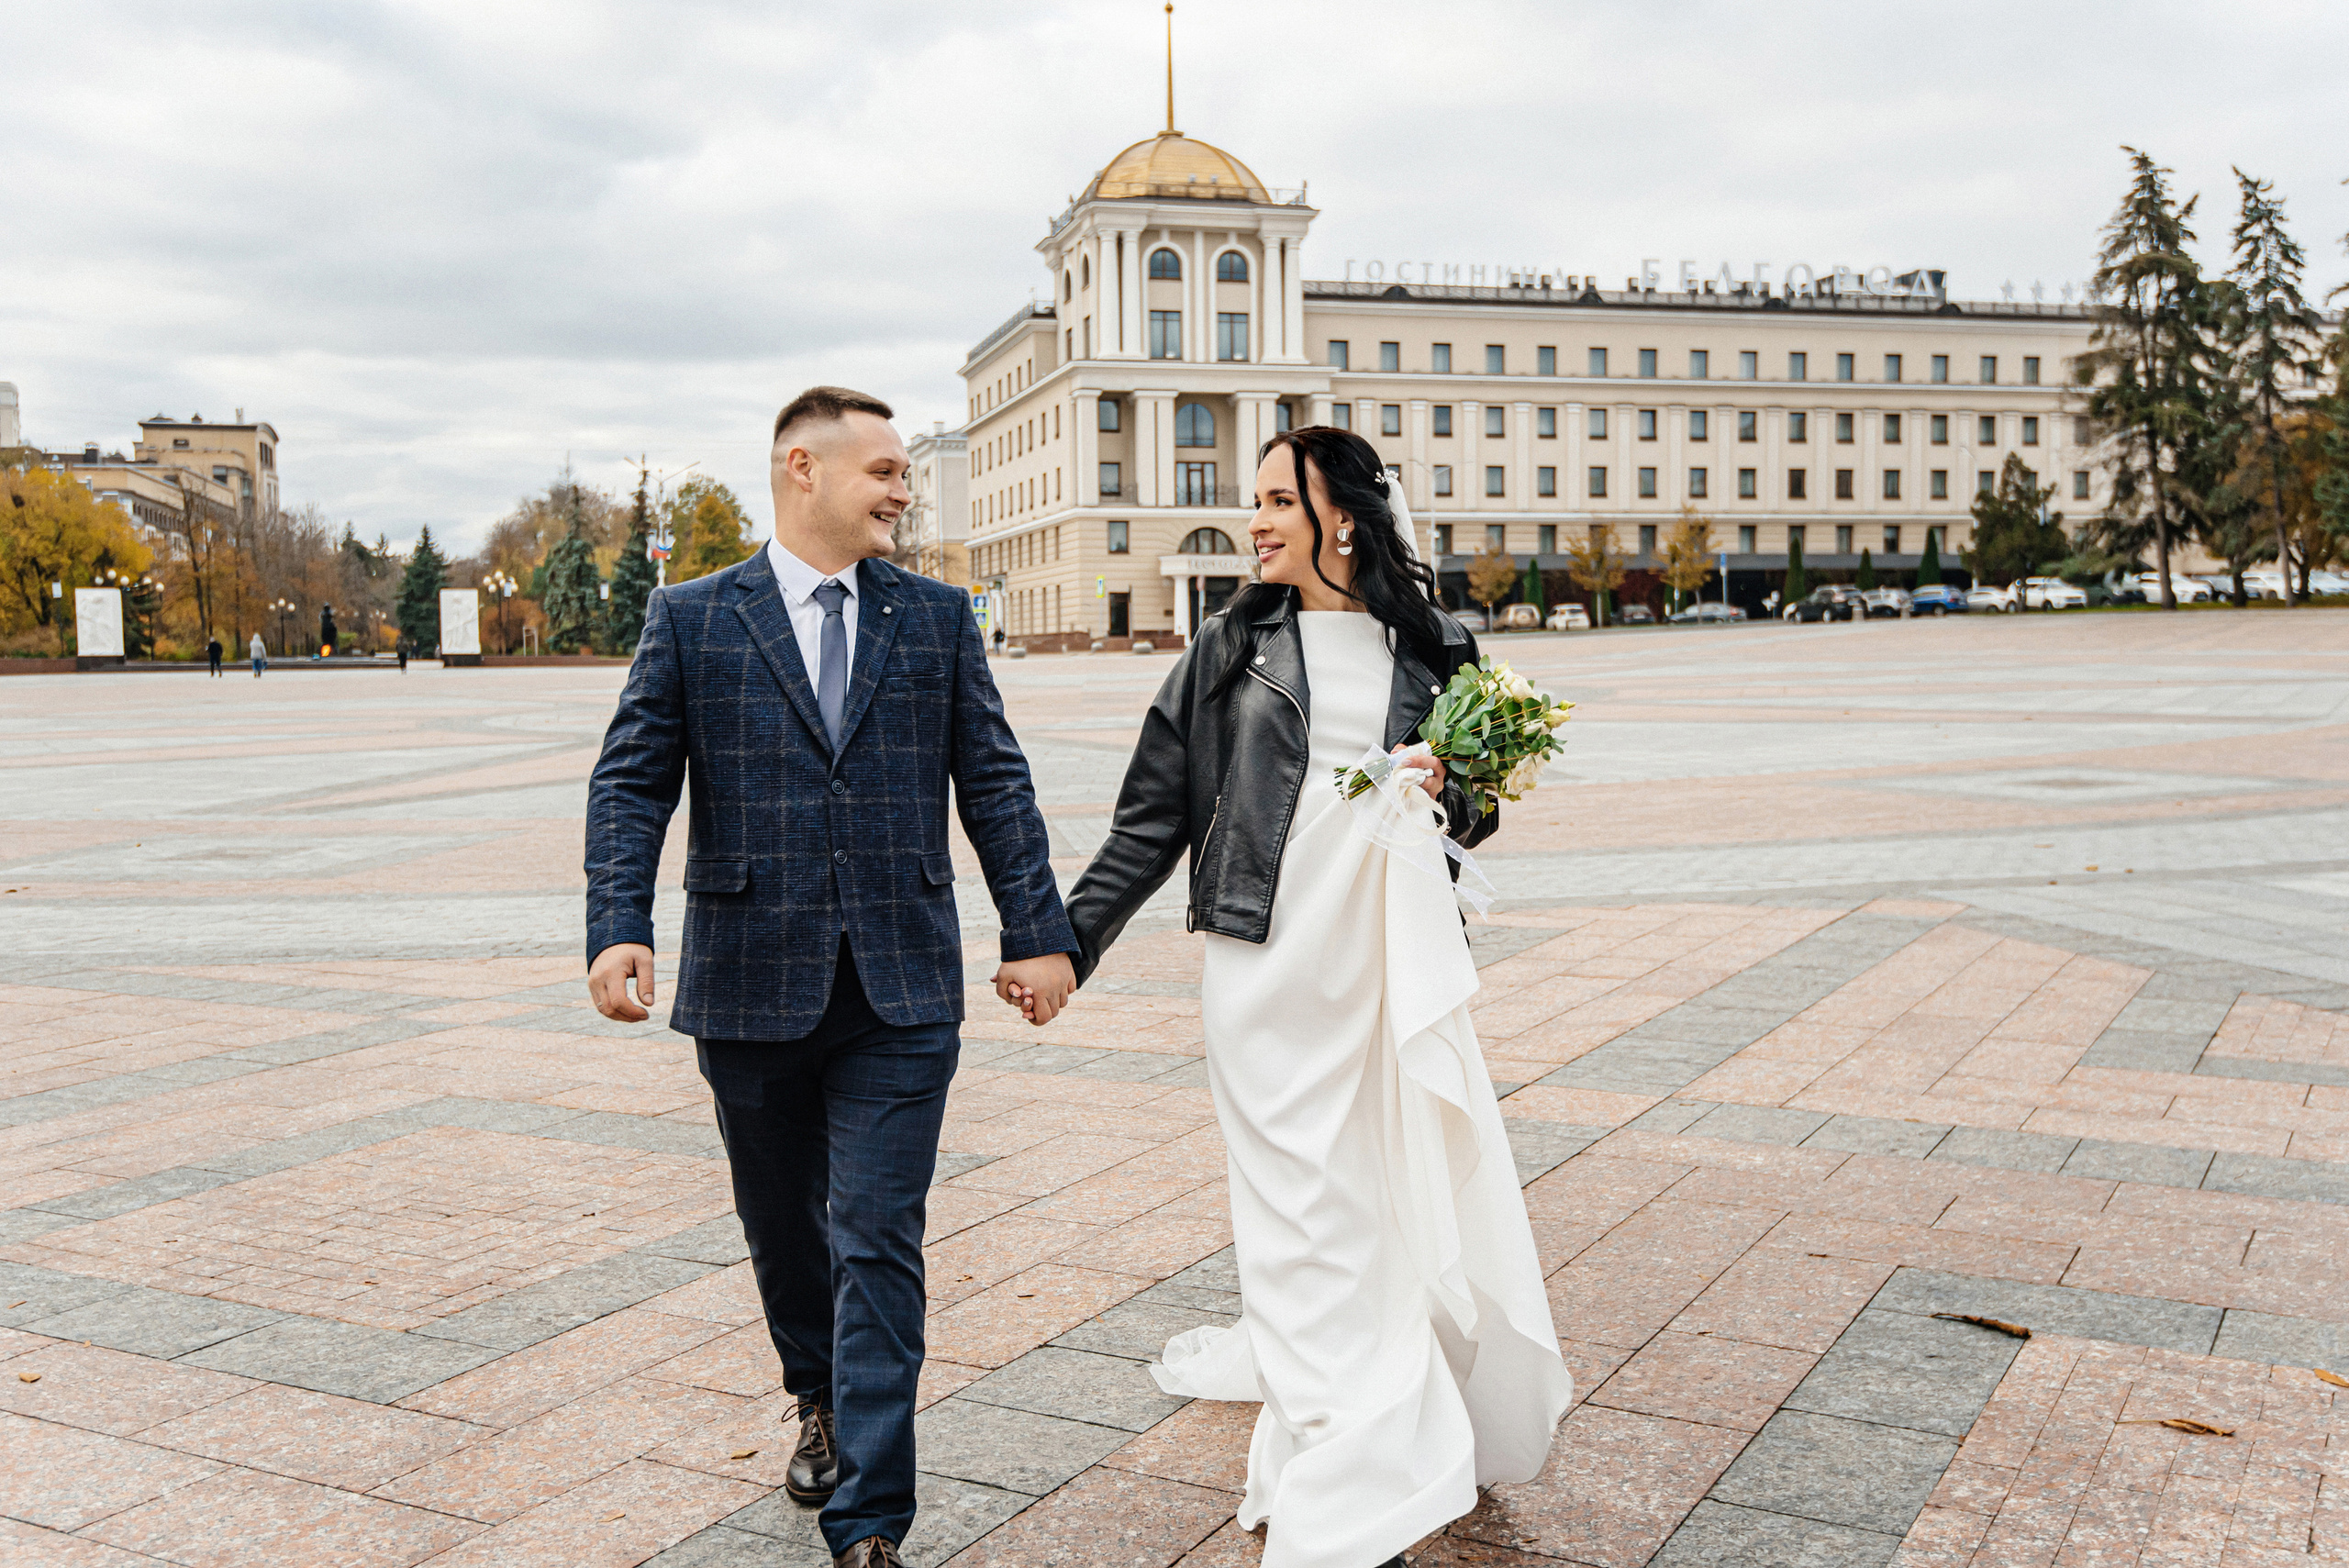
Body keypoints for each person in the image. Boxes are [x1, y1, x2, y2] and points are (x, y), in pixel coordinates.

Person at [1061, 427, 1571, 1568]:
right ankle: (1337, 1417)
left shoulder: (1435, 646)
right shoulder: (1231, 641)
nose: (1256, 520)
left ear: (1339, 512)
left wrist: (1447, 788)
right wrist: (1068, 941)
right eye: (1254, 501)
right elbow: (1151, 813)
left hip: (1384, 959)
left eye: (1276, 499)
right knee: (1293, 1196)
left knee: (1377, 1184)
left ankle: (1377, 1397)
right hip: (1263, 957)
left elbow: (1479, 815)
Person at [584, 385, 1076, 1568]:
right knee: (785, 1229)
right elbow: (631, 778)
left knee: (876, 1232)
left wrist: (1038, 927)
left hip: (901, 983)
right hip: (751, 978)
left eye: (907, 471)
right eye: (886, 470)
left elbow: (994, 781)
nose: (904, 490)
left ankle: (869, 1522)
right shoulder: (695, 617)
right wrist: (617, 922)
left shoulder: (939, 617)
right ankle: (814, 1386)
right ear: (802, 468)